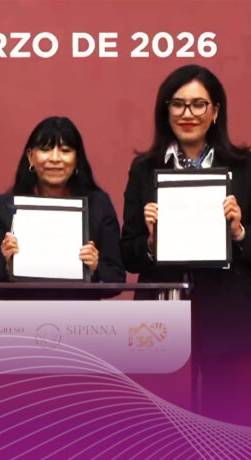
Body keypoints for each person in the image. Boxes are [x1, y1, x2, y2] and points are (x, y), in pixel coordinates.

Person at [120, 65, 251, 424]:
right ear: (166, 111)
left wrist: (239, 232)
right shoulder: (144, 168)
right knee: (161, 423)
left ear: (215, 111)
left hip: (227, 315)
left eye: (198, 104)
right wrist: (152, 242)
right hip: (161, 314)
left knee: (228, 420)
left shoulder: (244, 167)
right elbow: (128, 254)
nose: (187, 113)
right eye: (177, 104)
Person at [0, 116, 125, 298]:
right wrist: (8, 266)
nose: (55, 158)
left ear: (77, 159)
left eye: (65, 151)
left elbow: (117, 279)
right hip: (22, 311)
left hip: (82, 313)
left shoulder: (99, 204)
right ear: (31, 157)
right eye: (45, 149)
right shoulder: (3, 207)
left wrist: (95, 267)